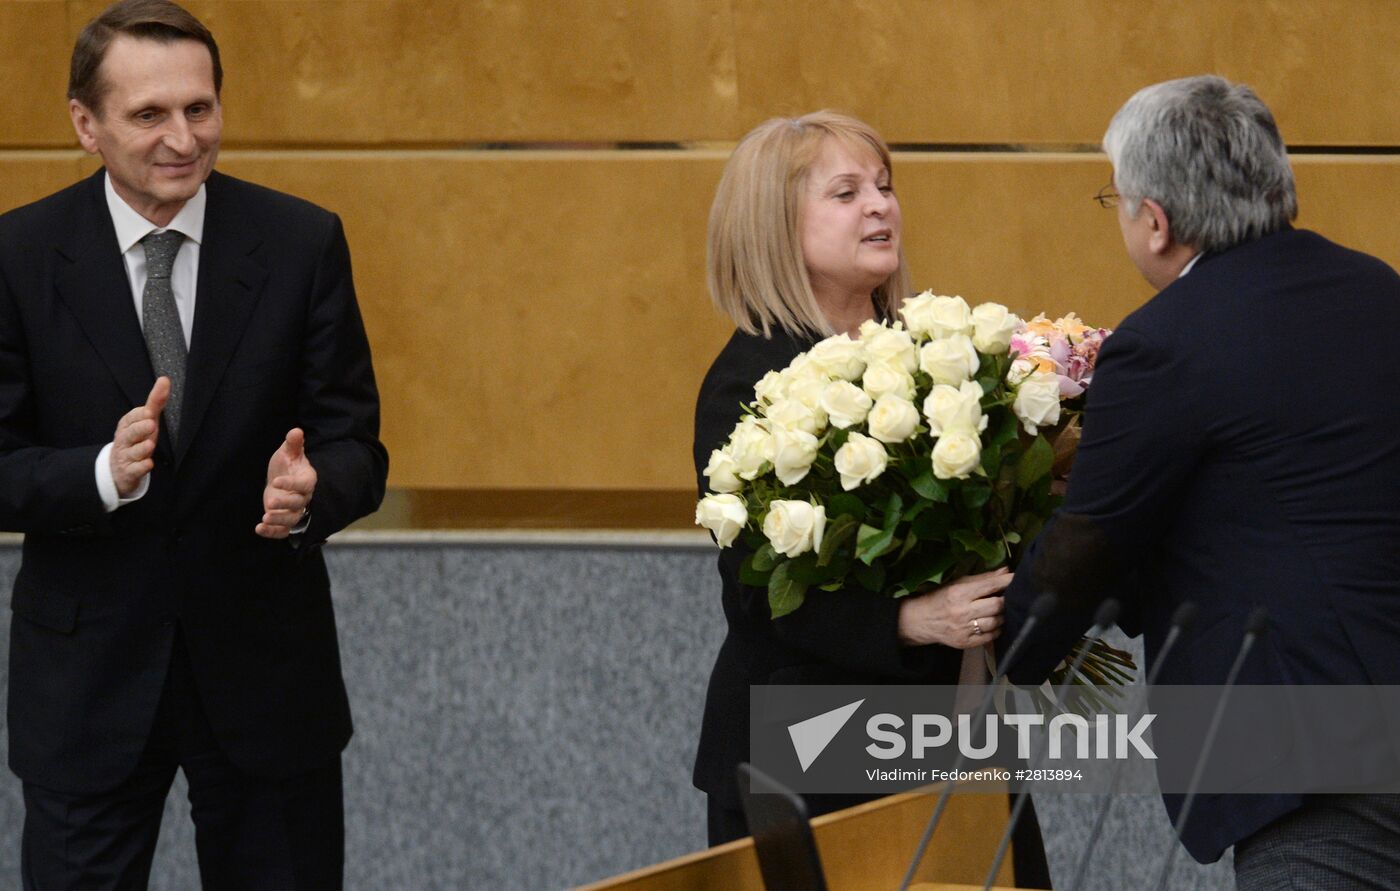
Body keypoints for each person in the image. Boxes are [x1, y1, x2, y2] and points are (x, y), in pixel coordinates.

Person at [0, 0, 387, 886]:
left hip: (264, 676)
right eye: (149, 115)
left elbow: (357, 445)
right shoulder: (19, 255)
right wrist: (99, 473)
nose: (183, 137)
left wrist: (310, 493)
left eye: (199, 108)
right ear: (84, 124)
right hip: (88, 684)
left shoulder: (301, 241)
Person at [999, 75, 1400, 888]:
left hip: (1317, 763)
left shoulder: (1163, 346)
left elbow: (1087, 549)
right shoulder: (1378, 291)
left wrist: (1005, 643)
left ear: (1155, 222)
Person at [693, 110, 1050, 886]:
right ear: (774, 226)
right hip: (818, 752)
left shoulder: (939, 357)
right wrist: (907, 620)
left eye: (884, 187)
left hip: (957, 726)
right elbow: (758, 594)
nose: (880, 206)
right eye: (846, 192)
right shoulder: (748, 383)